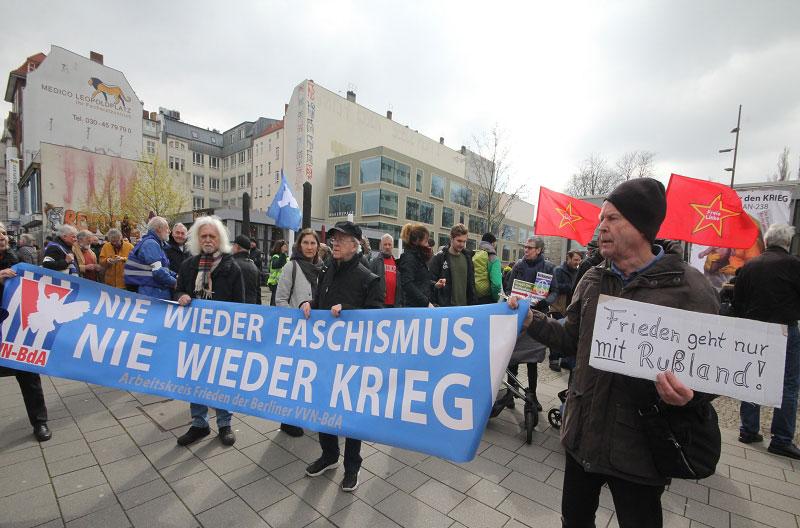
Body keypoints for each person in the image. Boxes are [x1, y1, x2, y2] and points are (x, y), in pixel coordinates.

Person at [512, 178, 718, 527]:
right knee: (574, 521)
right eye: (601, 219)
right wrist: (532, 319)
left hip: (639, 449)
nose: (601, 227)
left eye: (612, 219)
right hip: (583, 437)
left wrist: (691, 396)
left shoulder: (688, 288)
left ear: (641, 226)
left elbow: (715, 371)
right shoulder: (593, 278)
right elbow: (569, 338)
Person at [300, 221, 383, 492]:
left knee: (351, 414)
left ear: (355, 244)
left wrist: (346, 309)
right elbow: (320, 300)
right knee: (324, 406)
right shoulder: (327, 270)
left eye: (342, 238)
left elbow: (375, 318)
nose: (335, 242)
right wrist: (308, 303)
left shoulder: (368, 277)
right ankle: (329, 455)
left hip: (353, 361)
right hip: (326, 357)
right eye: (334, 238)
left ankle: (351, 467)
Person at [174, 216, 244, 447]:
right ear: (197, 238)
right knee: (195, 378)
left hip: (221, 337)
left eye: (211, 236)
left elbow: (240, 305)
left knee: (220, 380)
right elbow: (178, 292)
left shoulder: (231, 267)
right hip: (194, 335)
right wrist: (181, 296)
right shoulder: (188, 265)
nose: (207, 240)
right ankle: (199, 424)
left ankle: (224, 424)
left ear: (219, 239)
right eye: (203, 235)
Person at [735, 223, 800, 459]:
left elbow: (738, 301)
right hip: (784, 328)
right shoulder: (794, 265)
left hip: (755, 329)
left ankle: (748, 429)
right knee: (787, 384)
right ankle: (782, 439)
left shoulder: (751, 265)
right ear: (787, 242)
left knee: (752, 377)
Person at [0, 222, 51, 442]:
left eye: (2, 232)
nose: (1, 236)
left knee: (29, 374)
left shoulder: (14, 258)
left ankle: (39, 422)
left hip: (16, 329)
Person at [275, 228, 324, 438]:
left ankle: (306, 413)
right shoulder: (291, 267)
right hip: (296, 333)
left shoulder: (323, 268)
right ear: (299, 245)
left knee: (310, 375)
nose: (310, 247)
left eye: (313, 243)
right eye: (306, 243)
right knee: (293, 377)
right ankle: (288, 419)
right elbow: (280, 299)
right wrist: (295, 320)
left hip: (317, 333)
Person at [123, 217, 177, 300]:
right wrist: (175, 283)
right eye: (167, 228)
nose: (169, 231)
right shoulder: (151, 244)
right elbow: (158, 271)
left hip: (150, 290)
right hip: (153, 293)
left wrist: (175, 275)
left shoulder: (150, 242)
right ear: (159, 229)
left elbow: (162, 268)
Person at [547, 250, 582, 371]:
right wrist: (570, 287)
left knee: (567, 333)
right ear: (569, 259)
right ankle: (554, 360)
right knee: (557, 332)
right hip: (558, 306)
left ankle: (565, 360)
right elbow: (554, 287)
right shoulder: (558, 270)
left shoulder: (578, 271)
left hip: (570, 307)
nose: (577, 262)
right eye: (575, 259)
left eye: (579, 260)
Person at [429, 223, 476, 307]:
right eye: (459, 241)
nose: (462, 244)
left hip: (465, 308)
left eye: (464, 241)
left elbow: (471, 285)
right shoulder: (439, 258)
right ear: (451, 238)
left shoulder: (468, 258)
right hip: (445, 309)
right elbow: (429, 282)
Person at [397, 224, 434, 308]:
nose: (428, 244)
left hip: (420, 306)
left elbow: (420, 281)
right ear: (416, 241)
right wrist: (426, 303)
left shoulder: (419, 257)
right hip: (414, 307)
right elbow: (407, 283)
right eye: (426, 241)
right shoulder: (409, 258)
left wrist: (434, 285)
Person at [369, 234, 403, 307]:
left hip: (394, 305)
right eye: (385, 244)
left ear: (392, 246)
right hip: (379, 305)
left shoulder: (397, 263)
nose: (387, 247)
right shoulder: (374, 262)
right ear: (381, 245)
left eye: (389, 244)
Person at [231, 234, 262, 305]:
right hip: (250, 308)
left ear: (236, 246)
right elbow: (258, 293)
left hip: (234, 309)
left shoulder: (231, 264)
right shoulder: (254, 267)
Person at [473, 232, 502, 304]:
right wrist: (495, 298)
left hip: (473, 297)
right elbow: (496, 284)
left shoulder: (474, 255)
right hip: (487, 299)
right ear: (492, 244)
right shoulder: (494, 259)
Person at [267, 239, 289, 306]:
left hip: (283, 284)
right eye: (284, 246)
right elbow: (277, 265)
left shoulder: (286, 257)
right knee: (274, 303)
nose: (286, 248)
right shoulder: (275, 257)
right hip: (275, 284)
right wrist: (282, 253)